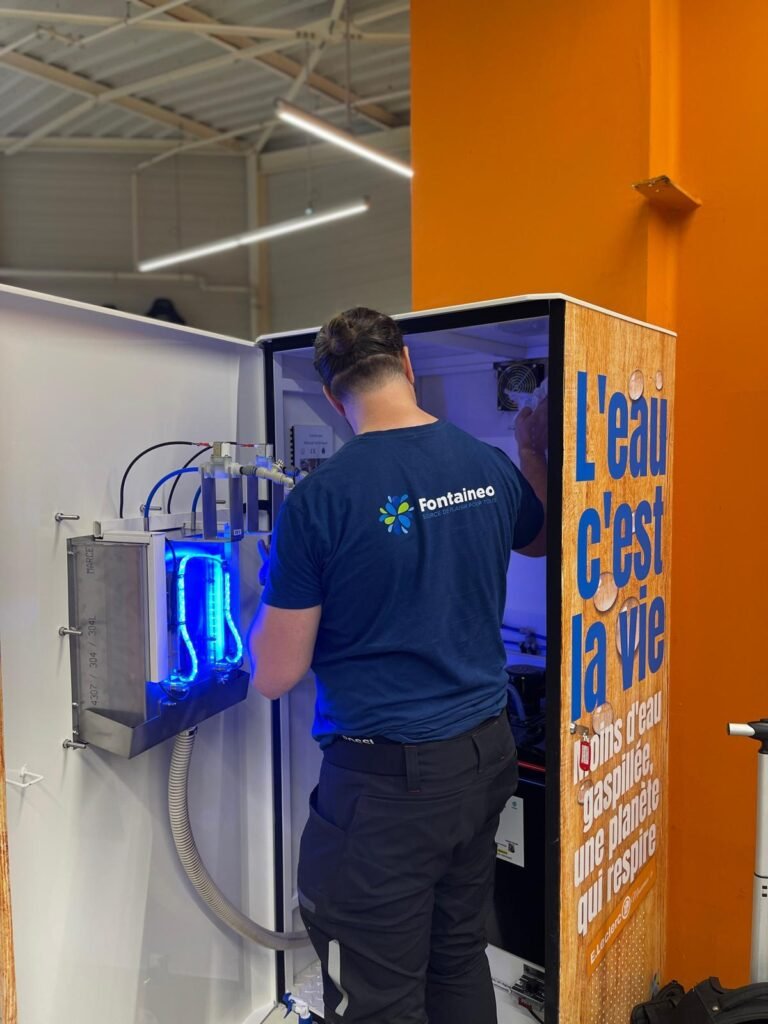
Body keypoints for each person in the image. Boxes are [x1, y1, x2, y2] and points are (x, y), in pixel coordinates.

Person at [249, 307, 547, 1024]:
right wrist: (531, 445)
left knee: (377, 996)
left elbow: (274, 674)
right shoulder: (486, 464)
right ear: (407, 365)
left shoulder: (320, 501)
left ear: (331, 394)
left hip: (386, 790)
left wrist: (272, 590)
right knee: (457, 956)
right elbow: (537, 538)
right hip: (484, 759)